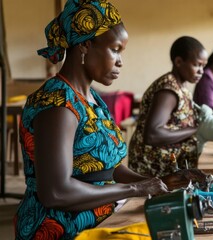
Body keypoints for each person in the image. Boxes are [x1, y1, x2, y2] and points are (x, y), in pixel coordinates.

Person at [14, 1, 170, 239]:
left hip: (97, 223)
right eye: (115, 49)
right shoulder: (56, 103)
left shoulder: (91, 98)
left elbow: (110, 169)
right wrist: (135, 189)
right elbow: (56, 192)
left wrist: (160, 184)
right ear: (85, 45)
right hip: (60, 229)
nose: (120, 61)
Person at [128, 36, 208, 178]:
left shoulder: (181, 85)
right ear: (178, 62)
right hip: (154, 169)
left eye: (203, 66)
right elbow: (153, 135)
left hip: (169, 166)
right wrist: (195, 129)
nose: (201, 71)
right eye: (197, 65)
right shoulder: (169, 90)